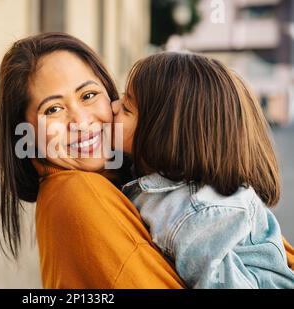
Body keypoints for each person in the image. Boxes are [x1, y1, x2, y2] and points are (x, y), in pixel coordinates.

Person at [0, 33, 294, 288]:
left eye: (88, 95)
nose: (81, 121)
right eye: (53, 110)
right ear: (26, 131)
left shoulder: (156, 181)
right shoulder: (76, 194)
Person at [113, 52, 294, 288]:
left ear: (163, 136)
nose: (113, 105)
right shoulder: (151, 178)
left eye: (127, 108)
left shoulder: (196, 216)